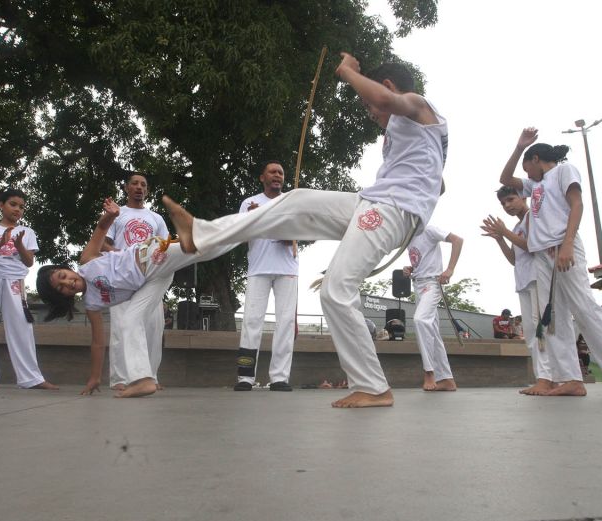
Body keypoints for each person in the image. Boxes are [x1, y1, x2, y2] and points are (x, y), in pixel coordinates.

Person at [162, 52, 448, 408]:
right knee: (295, 201)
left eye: (368, 107)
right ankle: (201, 232)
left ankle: (373, 387)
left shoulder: (417, 104)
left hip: (391, 212)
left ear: (388, 85)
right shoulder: (422, 133)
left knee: (335, 290)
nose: (371, 113)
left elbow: (385, 100)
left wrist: (347, 73)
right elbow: (439, 182)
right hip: (372, 203)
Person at [499, 127, 602, 398]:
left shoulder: (563, 171)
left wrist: (567, 243)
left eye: (526, 166)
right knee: (553, 320)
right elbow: (504, 177)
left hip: (563, 248)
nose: (525, 174)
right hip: (542, 256)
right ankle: (571, 379)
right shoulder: (535, 185)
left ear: (536, 160)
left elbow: (577, 204)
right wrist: (519, 147)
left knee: (587, 311)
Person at [35, 197, 236, 398]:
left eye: (64, 276)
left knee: (201, 248)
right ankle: (144, 380)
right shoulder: (91, 304)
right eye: (61, 288)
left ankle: (243, 228)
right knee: (129, 321)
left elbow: (100, 230)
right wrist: (94, 377)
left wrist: (111, 215)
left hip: (150, 258)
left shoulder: (87, 261)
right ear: (62, 297)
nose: (68, 283)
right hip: (151, 282)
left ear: (66, 269)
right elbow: (97, 342)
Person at [0, 189, 57, 390]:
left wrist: (18, 245)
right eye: (13, 204)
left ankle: (32, 378)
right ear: (1, 205)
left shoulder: (27, 232)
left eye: (22, 207)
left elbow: (28, 262)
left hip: (15, 280)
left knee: (22, 326)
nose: (18, 209)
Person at [481, 185, 554, 395]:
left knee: (541, 327)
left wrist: (504, 231)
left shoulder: (534, 217)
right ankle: (543, 377)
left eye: (511, 199)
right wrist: (500, 238)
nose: (507, 206)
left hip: (539, 278)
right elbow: (515, 259)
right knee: (530, 331)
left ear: (523, 197)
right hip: (523, 281)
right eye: (503, 203)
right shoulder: (515, 228)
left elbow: (532, 246)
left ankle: (547, 378)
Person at [234, 160, 298, 392]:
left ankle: (280, 377)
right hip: (258, 269)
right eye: (272, 171)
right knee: (251, 320)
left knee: (286, 323)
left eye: (281, 172)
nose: (277, 175)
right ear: (263, 177)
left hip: (287, 269)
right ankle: (245, 377)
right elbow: (239, 236)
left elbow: (304, 231)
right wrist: (251, 219)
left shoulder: (293, 201)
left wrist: (290, 234)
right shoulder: (250, 203)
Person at [102, 173, 168, 391]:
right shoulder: (117, 214)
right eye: (134, 184)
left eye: (143, 185)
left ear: (147, 191)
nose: (139, 187)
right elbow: (103, 244)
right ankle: (120, 378)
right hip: (122, 277)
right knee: (121, 327)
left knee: (153, 327)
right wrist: (125, 257)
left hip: (150, 277)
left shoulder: (156, 218)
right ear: (126, 188)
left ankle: (150, 376)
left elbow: (165, 246)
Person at [402, 225, 462, 391]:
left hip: (432, 283)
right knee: (433, 333)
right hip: (418, 284)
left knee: (420, 320)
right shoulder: (408, 236)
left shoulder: (429, 229)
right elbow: (421, 260)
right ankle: (446, 379)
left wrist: (450, 269)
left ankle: (429, 372)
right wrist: (410, 268)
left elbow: (457, 240)